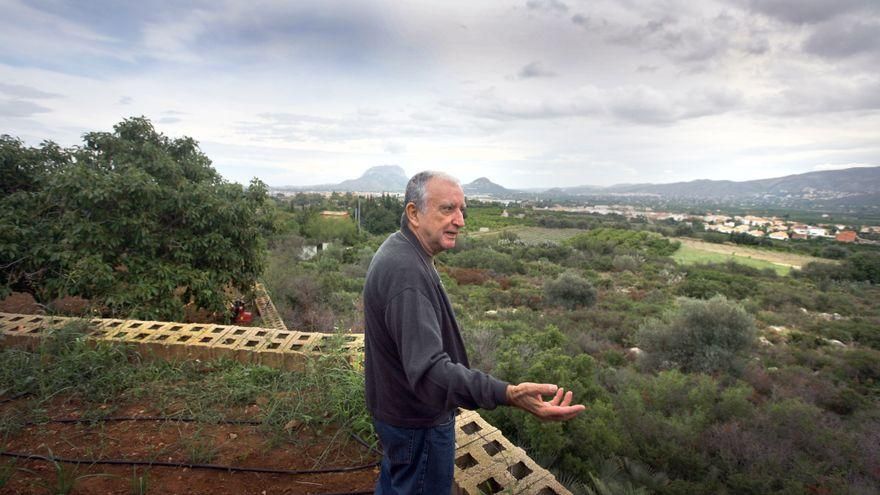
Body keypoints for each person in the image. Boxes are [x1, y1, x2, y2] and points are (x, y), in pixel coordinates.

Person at [363, 171, 586, 494]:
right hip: (417, 422)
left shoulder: (400, 249)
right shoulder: (406, 273)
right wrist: (508, 393)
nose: (460, 220)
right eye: (447, 209)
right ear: (414, 213)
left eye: (462, 210)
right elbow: (428, 372)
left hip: (398, 412)